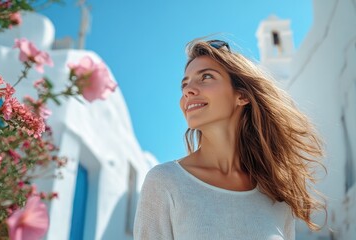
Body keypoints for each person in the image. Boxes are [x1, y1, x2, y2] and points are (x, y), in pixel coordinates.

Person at [133, 38, 326, 240]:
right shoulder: (165, 182)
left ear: (241, 96)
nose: (188, 90)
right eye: (185, 83)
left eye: (206, 77)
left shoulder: (276, 196)